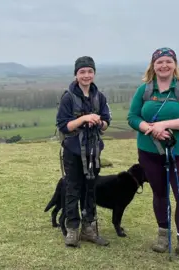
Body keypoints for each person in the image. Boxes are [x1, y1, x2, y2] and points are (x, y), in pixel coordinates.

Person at [127, 47, 179, 263]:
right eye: (159, 61)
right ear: (153, 65)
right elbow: (132, 117)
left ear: (175, 65)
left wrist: (165, 124)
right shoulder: (144, 90)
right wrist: (150, 128)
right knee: (160, 194)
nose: (164, 65)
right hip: (150, 151)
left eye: (168, 62)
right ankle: (163, 235)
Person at [56, 56, 112, 248]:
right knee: (73, 188)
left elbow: (106, 123)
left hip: (93, 151)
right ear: (76, 74)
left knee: (91, 188)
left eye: (90, 71)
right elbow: (64, 126)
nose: (86, 75)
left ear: (94, 73)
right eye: (82, 72)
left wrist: (99, 122)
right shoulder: (68, 97)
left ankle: (89, 229)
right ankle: (72, 229)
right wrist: (83, 119)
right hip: (73, 152)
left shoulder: (100, 97)